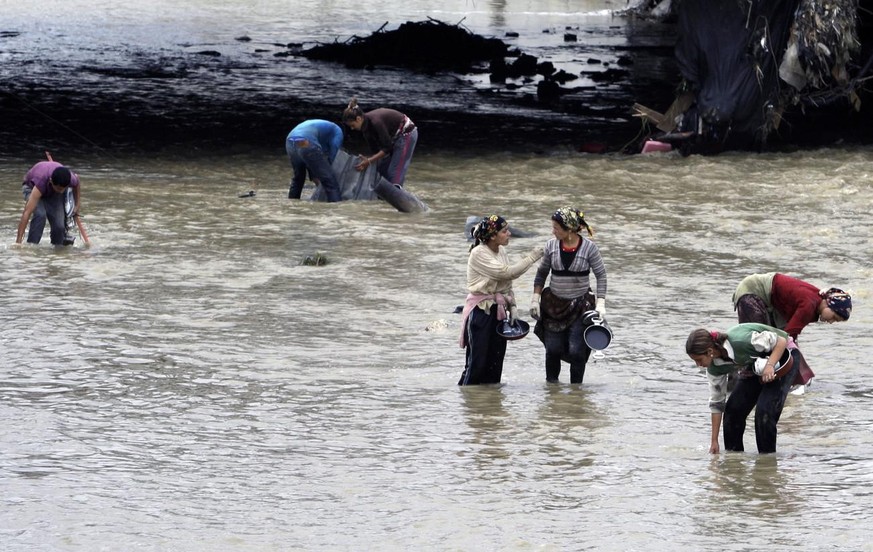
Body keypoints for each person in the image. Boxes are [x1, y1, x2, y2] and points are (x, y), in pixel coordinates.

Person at [686, 323, 800, 454]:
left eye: (698, 360)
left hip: (784, 357)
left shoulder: (741, 341)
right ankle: (734, 461)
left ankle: (767, 463)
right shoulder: (713, 369)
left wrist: (770, 365)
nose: (698, 365)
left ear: (710, 352)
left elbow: (781, 341)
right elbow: (717, 403)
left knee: (764, 412)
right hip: (755, 365)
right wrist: (714, 441)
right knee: (732, 411)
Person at [458, 215, 544, 386]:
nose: (509, 234)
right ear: (492, 236)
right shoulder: (479, 253)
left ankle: (492, 408)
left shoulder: (501, 251)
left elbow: (505, 285)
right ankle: (470, 405)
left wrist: (512, 306)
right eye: (504, 231)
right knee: (477, 364)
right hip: (481, 311)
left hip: (498, 312)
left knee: (495, 364)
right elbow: (507, 273)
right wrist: (532, 257)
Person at [529, 207, 607, 384]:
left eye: (556, 227)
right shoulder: (551, 246)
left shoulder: (589, 248)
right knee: (553, 350)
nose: (553, 231)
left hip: (581, 307)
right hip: (553, 305)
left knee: (576, 350)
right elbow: (541, 274)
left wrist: (600, 302)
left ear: (570, 229)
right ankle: (551, 388)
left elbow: (601, 275)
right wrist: (535, 298)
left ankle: (576, 392)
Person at [732, 272, 852, 385]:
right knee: (758, 342)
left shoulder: (815, 303)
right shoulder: (809, 306)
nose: (831, 322)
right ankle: (743, 378)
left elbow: (787, 334)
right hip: (753, 290)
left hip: (770, 301)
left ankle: (749, 374)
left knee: (772, 343)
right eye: (834, 317)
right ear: (828, 303)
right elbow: (787, 336)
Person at [341, 97, 417, 186]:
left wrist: (369, 161)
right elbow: (376, 151)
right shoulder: (365, 129)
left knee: (394, 173)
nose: (352, 128)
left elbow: (387, 147)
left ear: (358, 119)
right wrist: (368, 159)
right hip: (392, 138)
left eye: (352, 125)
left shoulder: (376, 122)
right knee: (381, 168)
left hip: (406, 134)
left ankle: (396, 191)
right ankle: (381, 196)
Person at [16, 161, 81, 245]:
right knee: (40, 214)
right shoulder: (41, 182)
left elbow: (77, 183)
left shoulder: (70, 179)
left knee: (59, 226)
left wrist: (77, 205)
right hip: (31, 188)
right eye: (58, 188)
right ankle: (32, 245)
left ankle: (57, 249)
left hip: (52, 192)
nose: (61, 192)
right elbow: (27, 212)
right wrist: (18, 242)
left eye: (63, 189)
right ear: (51, 181)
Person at [286, 119, 344, 202]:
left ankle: (293, 205)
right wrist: (329, 172)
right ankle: (335, 208)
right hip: (306, 141)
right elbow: (334, 155)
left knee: (298, 178)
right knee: (330, 181)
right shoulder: (337, 131)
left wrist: (315, 176)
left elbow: (311, 161)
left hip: (290, 141)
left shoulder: (322, 128)